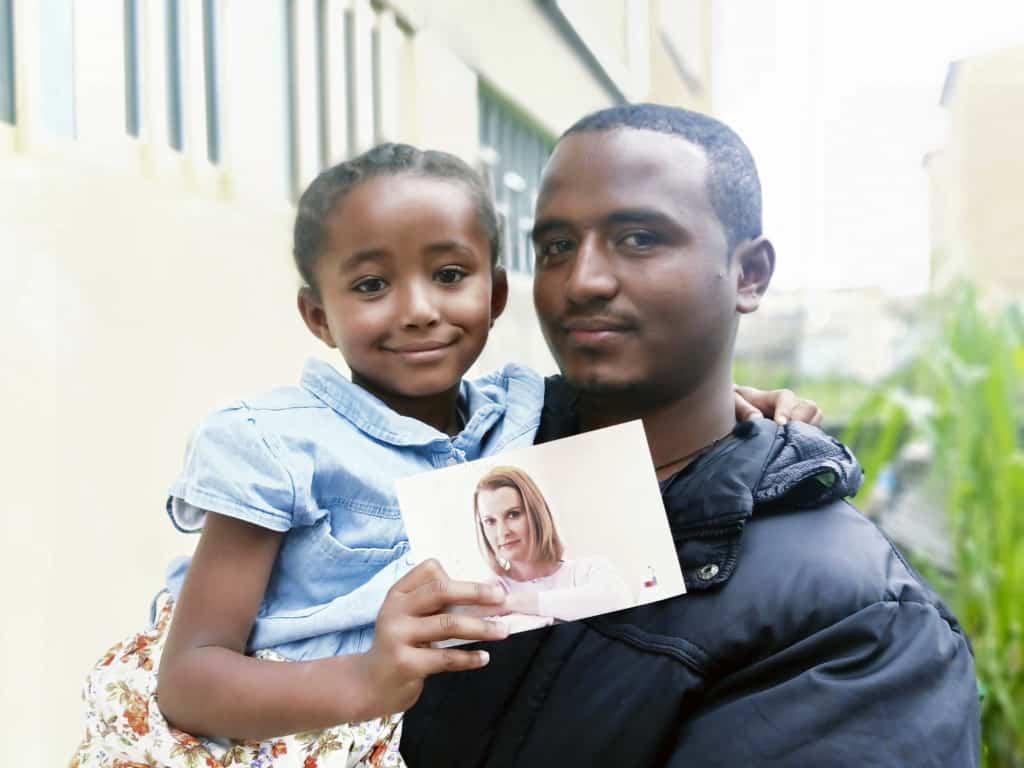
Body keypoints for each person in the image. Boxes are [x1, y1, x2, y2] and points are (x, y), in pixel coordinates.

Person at [70, 142, 816, 768]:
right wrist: (369, 675)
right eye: (371, 285)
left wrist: (742, 401)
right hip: (261, 737)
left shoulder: (521, 412)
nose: (419, 308)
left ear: (495, 295)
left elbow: (656, 405)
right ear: (317, 316)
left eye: (450, 275)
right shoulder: (274, 445)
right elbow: (191, 678)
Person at [399, 105, 981, 766]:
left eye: (640, 238)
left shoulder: (858, 621)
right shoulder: (464, 462)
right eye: (556, 245)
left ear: (749, 274)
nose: (583, 279)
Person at [472, 465, 633, 629]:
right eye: (490, 521)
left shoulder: (588, 570)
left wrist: (511, 603)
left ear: (536, 514)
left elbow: (619, 600)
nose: (502, 532)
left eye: (513, 514)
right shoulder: (485, 595)